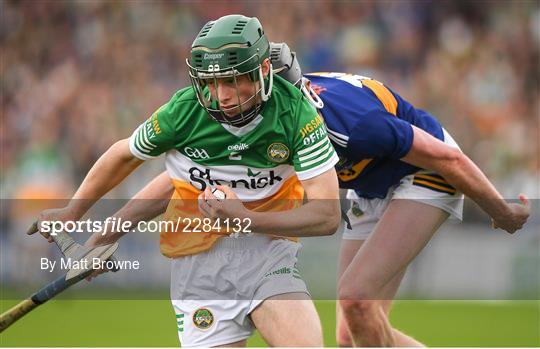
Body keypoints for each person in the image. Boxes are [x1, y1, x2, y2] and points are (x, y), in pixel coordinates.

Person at [81, 42, 530, 347]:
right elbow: (179, 182)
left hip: (421, 176)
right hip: (365, 188)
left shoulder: (347, 123)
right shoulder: (258, 123)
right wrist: (105, 234)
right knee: (352, 334)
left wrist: (501, 210)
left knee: (355, 297)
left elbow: (445, 158)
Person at [31, 16, 341, 347]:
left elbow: (327, 215)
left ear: (263, 70)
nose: (221, 96)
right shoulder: (184, 112)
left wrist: (248, 219)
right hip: (197, 263)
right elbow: (128, 157)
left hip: (267, 252)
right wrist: (76, 219)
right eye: (210, 82)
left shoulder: (296, 114)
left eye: (232, 81)